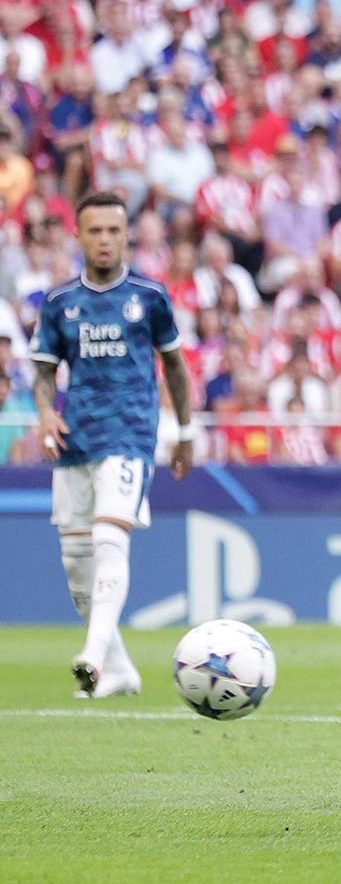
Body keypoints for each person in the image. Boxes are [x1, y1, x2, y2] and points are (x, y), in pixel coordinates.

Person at [31, 193, 195, 698]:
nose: (105, 239)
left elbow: (174, 366)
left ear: (127, 236)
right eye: (95, 230)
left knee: (109, 540)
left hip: (130, 436)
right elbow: (43, 371)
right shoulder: (59, 303)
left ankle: (92, 653)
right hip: (75, 440)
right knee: (77, 566)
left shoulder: (149, 295)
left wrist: (184, 433)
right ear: (79, 236)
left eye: (114, 230)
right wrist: (43, 414)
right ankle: (120, 669)